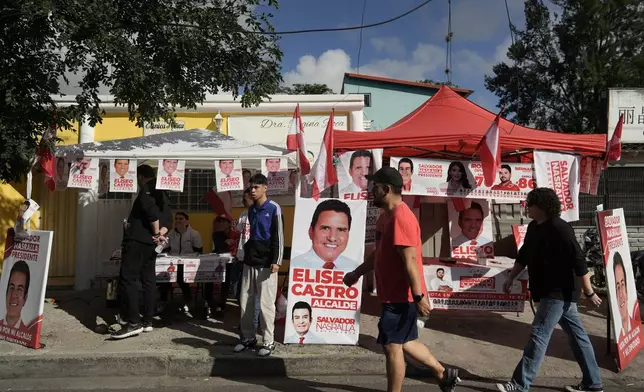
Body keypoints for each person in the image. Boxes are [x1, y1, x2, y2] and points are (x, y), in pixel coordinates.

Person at [343, 167, 460, 392]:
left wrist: (418, 296)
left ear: (386, 189)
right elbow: (379, 253)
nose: (370, 190)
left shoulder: (401, 218)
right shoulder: (385, 217)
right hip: (392, 295)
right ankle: (443, 374)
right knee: (405, 341)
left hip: (401, 296)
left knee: (391, 346)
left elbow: (410, 261)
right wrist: (357, 273)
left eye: (374, 186)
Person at [496, 188, 603, 392]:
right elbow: (524, 255)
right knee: (577, 337)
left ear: (542, 206)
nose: (527, 207)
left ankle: (519, 385)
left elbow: (579, 260)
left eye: (530, 204)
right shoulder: (534, 227)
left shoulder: (560, 228)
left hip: (559, 292)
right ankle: (593, 383)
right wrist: (511, 277)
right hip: (547, 290)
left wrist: (589, 291)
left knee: (539, 334)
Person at [112, 165, 173, 339]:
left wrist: (155, 232)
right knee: (148, 280)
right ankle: (147, 321)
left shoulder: (147, 188)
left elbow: (151, 212)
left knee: (127, 279)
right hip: (151, 245)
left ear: (140, 177)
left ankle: (133, 322)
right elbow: (168, 218)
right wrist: (161, 233)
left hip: (138, 241)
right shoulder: (163, 191)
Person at [234, 173, 284, 357]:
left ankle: (269, 341)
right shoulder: (251, 210)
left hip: (266, 263)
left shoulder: (274, 208)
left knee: (266, 304)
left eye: (256, 187)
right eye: (251, 187)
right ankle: (248, 338)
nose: (253, 191)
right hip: (249, 260)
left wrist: (276, 261)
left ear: (265, 188)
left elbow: (278, 235)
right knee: (245, 302)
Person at [291, 199, 356, 271]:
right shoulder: (295, 265)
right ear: (311, 231)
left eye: (340, 230)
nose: (332, 238)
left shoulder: (354, 268)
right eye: (325, 228)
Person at [158, 212, 203, 313]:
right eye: (176, 219)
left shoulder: (194, 234)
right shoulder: (171, 233)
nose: (178, 221)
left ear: (186, 221)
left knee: (179, 277)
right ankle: (163, 301)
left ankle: (188, 301)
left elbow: (199, 251)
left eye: (181, 219)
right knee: (164, 277)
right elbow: (164, 247)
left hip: (189, 264)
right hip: (173, 263)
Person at [235, 189, 261, 330]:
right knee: (238, 291)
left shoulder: (260, 214)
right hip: (241, 256)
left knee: (255, 294)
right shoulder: (243, 215)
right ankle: (246, 318)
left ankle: (253, 324)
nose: (243, 201)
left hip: (254, 258)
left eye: (245, 198)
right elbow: (240, 234)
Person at [211, 214, 240, 317]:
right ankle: (211, 303)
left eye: (224, 221)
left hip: (233, 263)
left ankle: (222, 305)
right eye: (220, 221)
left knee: (228, 281)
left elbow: (237, 250)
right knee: (209, 278)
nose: (221, 224)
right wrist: (224, 241)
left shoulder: (236, 234)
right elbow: (219, 246)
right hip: (219, 262)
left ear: (229, 224)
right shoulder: (216, 234)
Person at [613, 252, 639, 340]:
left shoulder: (636, 325)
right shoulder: (619, 337)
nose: (621, 295)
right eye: (617, 287)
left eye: (622, 284)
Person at [1, 261, 30, 328]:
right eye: (11, 288)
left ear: (25, 298)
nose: (13, 295)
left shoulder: (28, 335)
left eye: (19, 289)